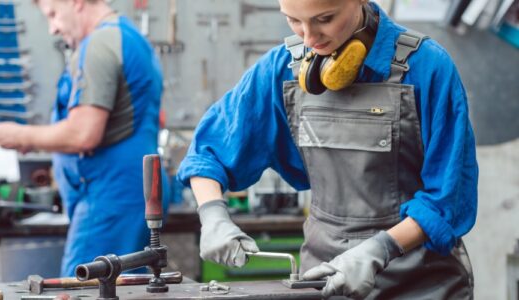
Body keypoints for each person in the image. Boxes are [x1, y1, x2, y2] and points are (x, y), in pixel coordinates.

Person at [177, 0, 478, 298]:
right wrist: (213, 215)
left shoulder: (427, 68)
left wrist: (379, 249)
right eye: (293, 20)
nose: (308, 38)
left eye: (325, 18)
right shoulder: (283, 69)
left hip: (422, 286)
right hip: (324, 281)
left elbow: (448, 199)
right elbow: (209, 150)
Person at [0, 0, 167, 277]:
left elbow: (84, 134)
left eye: (54, 15)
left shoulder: (100, 44)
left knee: (85, 287)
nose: (53, 28)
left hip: (109, 198)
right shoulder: (130, 38)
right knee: (125, 288)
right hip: (129, 192)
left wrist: (19, 134)